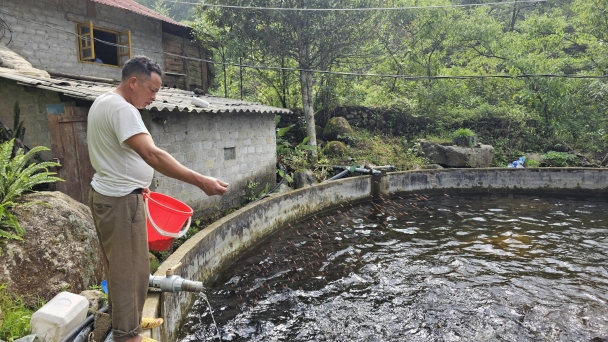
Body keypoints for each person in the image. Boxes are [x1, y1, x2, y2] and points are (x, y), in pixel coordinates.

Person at [87, 55, 229, 342]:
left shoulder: (103, 102)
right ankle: (128, 335)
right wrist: (201, 181)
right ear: (133, 82)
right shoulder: (123, 110)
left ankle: (126, 321)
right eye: (152, 90)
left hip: (114, 194)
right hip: (119, 202)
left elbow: (117, 155)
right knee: (131, 272)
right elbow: (152, 154)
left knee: (122, 267)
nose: (154, 97)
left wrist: (139, 184)